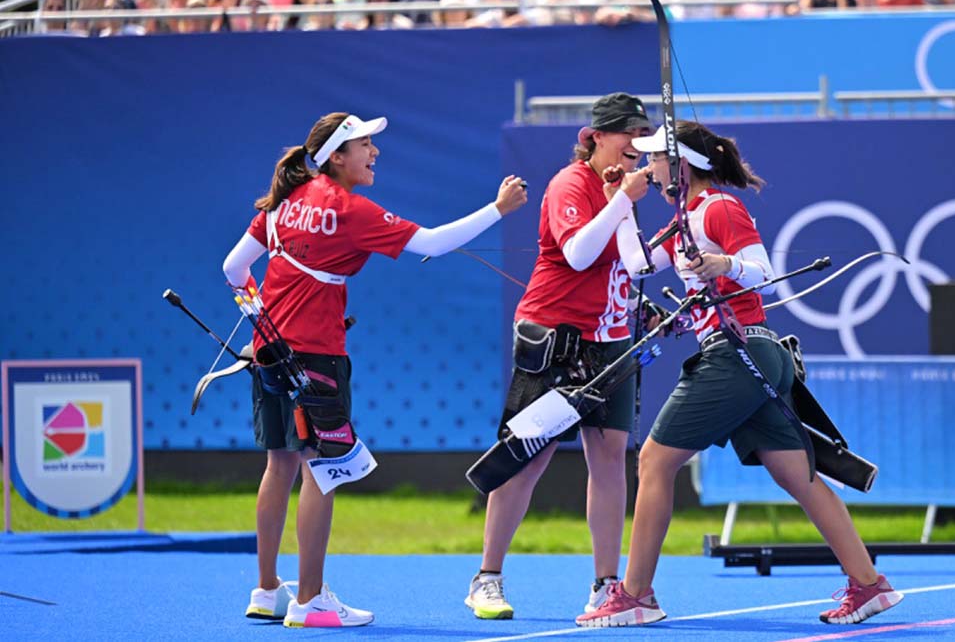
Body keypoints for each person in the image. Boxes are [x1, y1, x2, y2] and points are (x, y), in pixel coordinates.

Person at [576, 121, 904, 627]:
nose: (647, 166)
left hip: (739, 352)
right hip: (748, 356)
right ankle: (869, 585)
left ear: (680, 165)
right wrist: (620, 201)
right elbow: (638, 265)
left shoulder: (720, 208)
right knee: (796, 473)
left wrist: (719, 261)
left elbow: (764, 274)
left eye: (655, 159)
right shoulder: (685, 218)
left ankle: (637, 595)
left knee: (656, 461)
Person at [223, 112, 527, 628]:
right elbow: (431, 243)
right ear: (336, 156)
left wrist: (259, 315)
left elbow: (232, 269)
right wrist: (498, 209)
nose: (375, 152)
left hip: (269, 354)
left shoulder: (282, 205)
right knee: (324, 469)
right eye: (364, 144)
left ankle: (269, 589)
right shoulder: (346, 208)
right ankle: (312, 600)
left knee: (279, 466)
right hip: (317, 357)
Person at [465, 93, 654, 621]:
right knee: (527, 457)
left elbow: (629, 263)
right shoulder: (571, 184)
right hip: (557, 340)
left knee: (611, 459)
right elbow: (577, 253)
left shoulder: (621, 188)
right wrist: (622, 200)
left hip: (610, 340)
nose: (636, 145)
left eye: (643, 136)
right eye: (628, 135)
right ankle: (487, 577)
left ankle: (605, 586)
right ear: (595, 138)